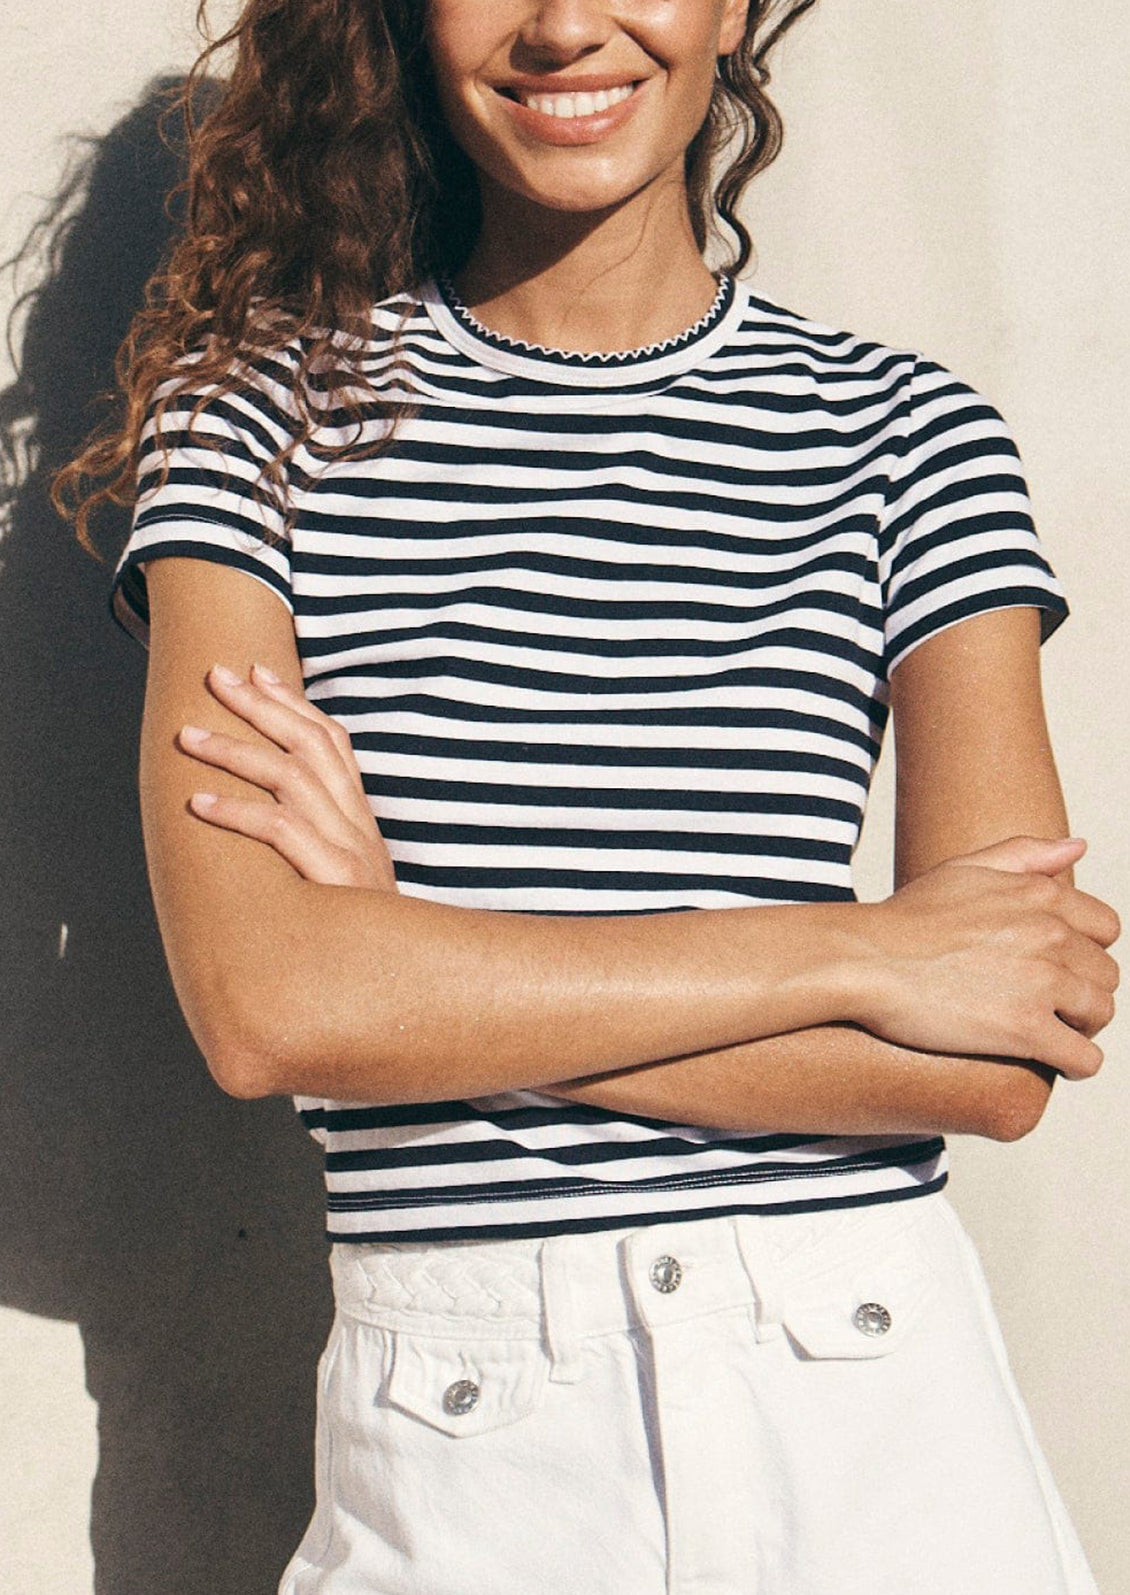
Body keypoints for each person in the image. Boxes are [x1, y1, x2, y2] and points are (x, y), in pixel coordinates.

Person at [55, 0, 1121, 1589]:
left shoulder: (911, 438)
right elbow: (269, 1004)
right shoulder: (251, 425)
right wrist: (857, 954)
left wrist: (412, 958)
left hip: (873, 1405)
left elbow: (996, 1054)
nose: (564, 25)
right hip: (471, 1434)